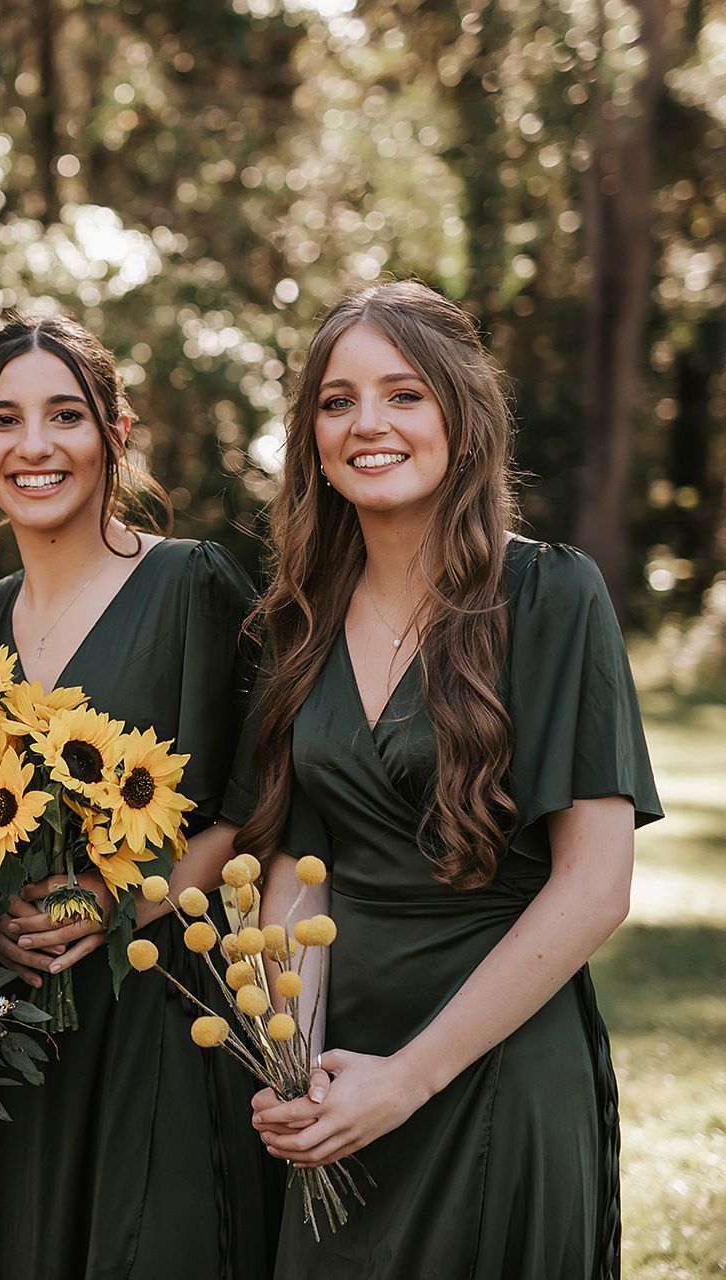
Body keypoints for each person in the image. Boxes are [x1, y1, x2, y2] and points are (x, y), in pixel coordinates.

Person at [230, 280, 659, 1278]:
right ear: (312, 438)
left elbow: (596, 886)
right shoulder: (295, 623)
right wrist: (293, 1051)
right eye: (337, 402)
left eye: (403, 394)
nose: (366, 423)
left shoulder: (552, 595)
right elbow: (301, 854)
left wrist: (411, 1078)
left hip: (498, 1063)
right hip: (341, 1081)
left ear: (462, 420)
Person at [0, 310, 274, 1278]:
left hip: (159, 1004)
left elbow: (249, 800)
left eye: (66, 414)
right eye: (5, 419)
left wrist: (119, 898)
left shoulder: (192, 584)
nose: (35, 445)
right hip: (18, 1026)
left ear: (116, 432)